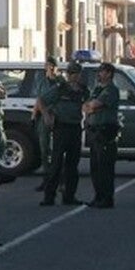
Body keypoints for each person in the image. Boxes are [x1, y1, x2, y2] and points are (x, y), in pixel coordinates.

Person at [39, 61, 87, 206]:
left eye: (76, 73)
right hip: (61, 128)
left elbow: (88, 104)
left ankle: (69, 196)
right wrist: (46, 115)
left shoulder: (83, 90)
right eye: (71, 73)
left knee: (72, 165)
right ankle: (49, 197)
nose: (73, 76)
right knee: (56, 164)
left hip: (75, 128)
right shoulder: (60, 88)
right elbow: (42, 100)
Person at [83, 62, 121, 209]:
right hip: (94, 131)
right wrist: (90, 107)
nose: (99, 74)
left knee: (105, 167)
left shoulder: (111, 90)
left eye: (102, 72)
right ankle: (98, 196)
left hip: (106, 131)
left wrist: (91, 107)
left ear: (109, 74)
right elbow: (86, 106)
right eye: (99, 72)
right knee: (95, 167)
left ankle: (106, 198)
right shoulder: (97, 89)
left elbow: (94, 105)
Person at [32, 57, 61, 191]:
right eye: (47, 66)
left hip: (57, 117)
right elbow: (39, 99)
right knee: (44, 150)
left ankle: (59, 180)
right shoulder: (41, 81)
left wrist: (50, 112)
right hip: (43, 118)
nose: (49, 68)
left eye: (52, 66)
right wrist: (36, 114)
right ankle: (47, 180)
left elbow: (62, 99)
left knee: (57, 150)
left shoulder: (60, 82)